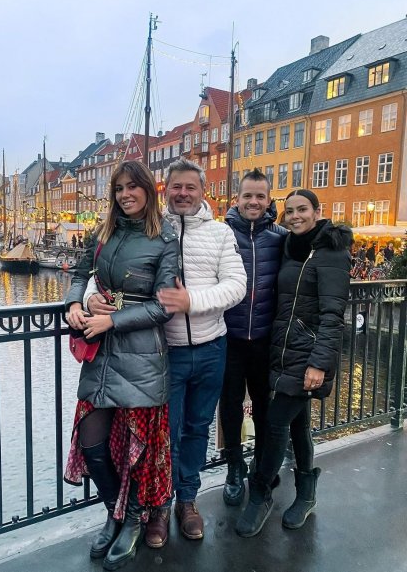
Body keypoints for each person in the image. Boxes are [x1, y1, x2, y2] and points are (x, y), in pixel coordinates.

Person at [64, 160, 180, 570]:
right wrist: (75, 303)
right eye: (119, 189)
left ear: (148, 190)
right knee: (92, 442)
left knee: (138, 450)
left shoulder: (165, 237)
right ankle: (116, 513)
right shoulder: (103, 231)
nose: (125, 195)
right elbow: (79, 275)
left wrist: (111, 318)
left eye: (133, 187)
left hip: (142, 355)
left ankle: (133, 521)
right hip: (101, 351)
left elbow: (165, 305)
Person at [236, 188, 352, 538]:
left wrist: (319, 364)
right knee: (298, 424)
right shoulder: (291, 246)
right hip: (283, 352)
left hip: (309, 357)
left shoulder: (332, 251)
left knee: (274, 424)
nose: (296, 216)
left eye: (303, 209)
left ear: (318, 211)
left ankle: (261, 492)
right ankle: (306, 493)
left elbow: (333, 316)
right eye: (290, 211)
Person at [145, 157, 247, 548]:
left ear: (202, 191)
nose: (183, 193)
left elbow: (236, 285)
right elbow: (111, 275)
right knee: (164, 433)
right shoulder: (152, 230)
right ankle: (159, 504)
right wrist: (88, 299)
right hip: (163, 352)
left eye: (190, 187)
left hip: (209, 348)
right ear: (165, 190)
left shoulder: (220, 234)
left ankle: (187, 500)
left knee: (197, 429)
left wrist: (193, 301)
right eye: (176, 187)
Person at [219, 168, 287, 506]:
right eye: (248, 195)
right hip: (228, 336)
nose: (254, 202)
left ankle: (261, 462)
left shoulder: (280, 237)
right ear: (238, 198)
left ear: (269, 199)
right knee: (230, 404)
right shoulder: (222, 235)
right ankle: (234, 465)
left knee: (264, 405)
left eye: (260, 196)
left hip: (264, 337)